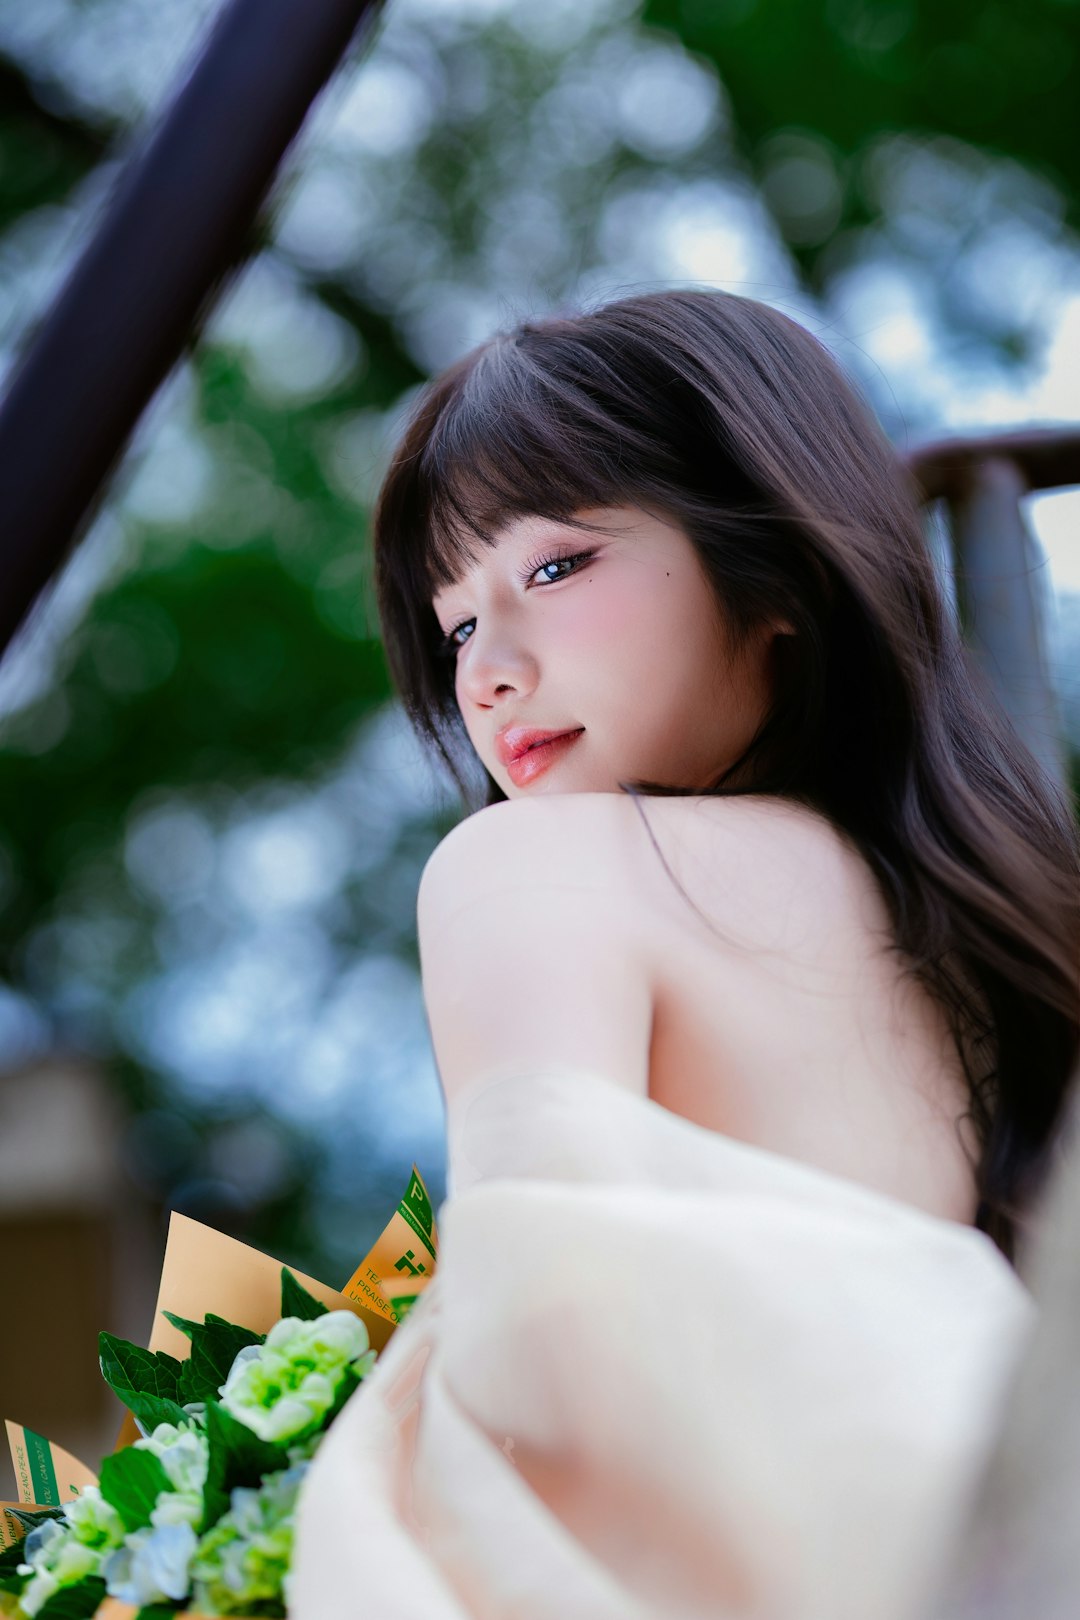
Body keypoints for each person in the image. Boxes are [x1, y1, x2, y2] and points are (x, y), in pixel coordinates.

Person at [291, 289, 1080, 1620]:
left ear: (768, 568)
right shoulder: (998, 920)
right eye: (458, 625)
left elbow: (551, 1360)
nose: (488, 672)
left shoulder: (527, 866)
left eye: (550, 569)